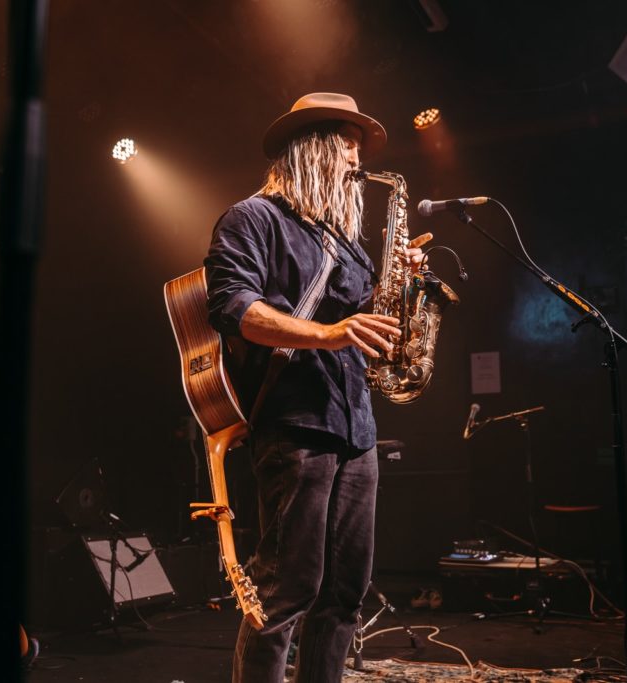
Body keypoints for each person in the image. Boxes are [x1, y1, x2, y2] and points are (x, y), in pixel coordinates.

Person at [204, 92, 430, 683]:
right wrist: (329, 334)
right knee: (286, 589)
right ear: (310, 148)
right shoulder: (253, 218)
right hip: (294, 422)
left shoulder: (347, 242)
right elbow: (233, 306)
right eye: (346, 143)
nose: (357, 158)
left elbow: (364, 320)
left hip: (355, 425)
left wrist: (401, 286)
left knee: (345, 594)